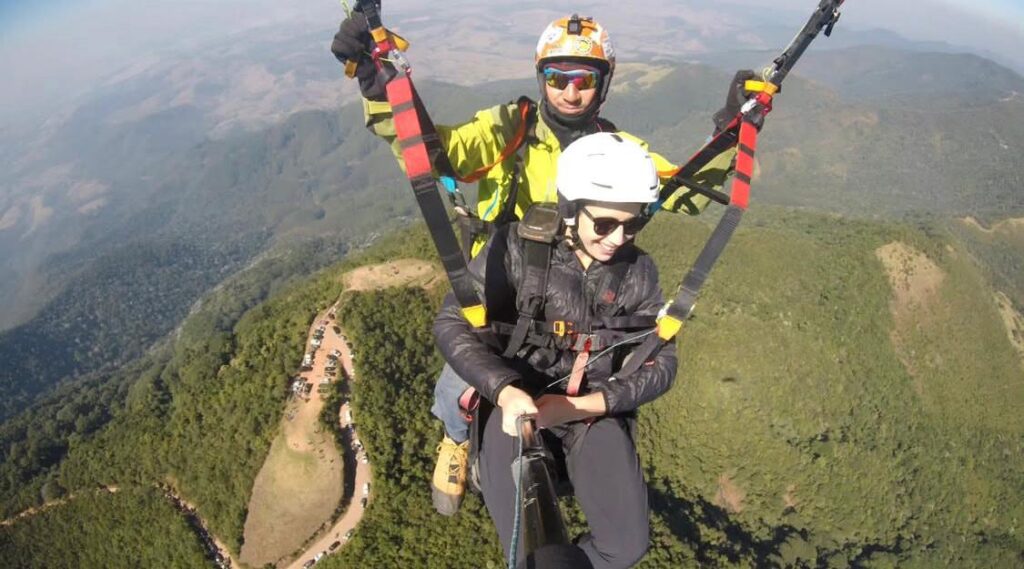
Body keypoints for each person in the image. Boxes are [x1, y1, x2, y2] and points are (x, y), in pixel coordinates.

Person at [332, 11, 749, 515]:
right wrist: (380, 87)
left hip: (574, 288)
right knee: (460, 375)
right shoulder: (512, 127)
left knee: (565, 367)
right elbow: (435, 151)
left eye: (583, 80)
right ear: (541, 79)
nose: (570, 93)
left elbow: (681, 190)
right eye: (558, 79)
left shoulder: (621, 152)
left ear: (603, 84)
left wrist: (731, 133)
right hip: (505, 273)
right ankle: (456, 436)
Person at [433, 132, 674, 568]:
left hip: (587, 410)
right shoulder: (516, 250)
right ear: (569, 210)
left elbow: (663, 362)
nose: (618, 238)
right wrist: (504, 391)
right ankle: (459, 441)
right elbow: (452, 322)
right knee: (528, 555)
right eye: (603, 224)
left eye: (633, 223)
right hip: (514, 404)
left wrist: (583, 406)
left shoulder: (639, 272)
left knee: (626, 547)